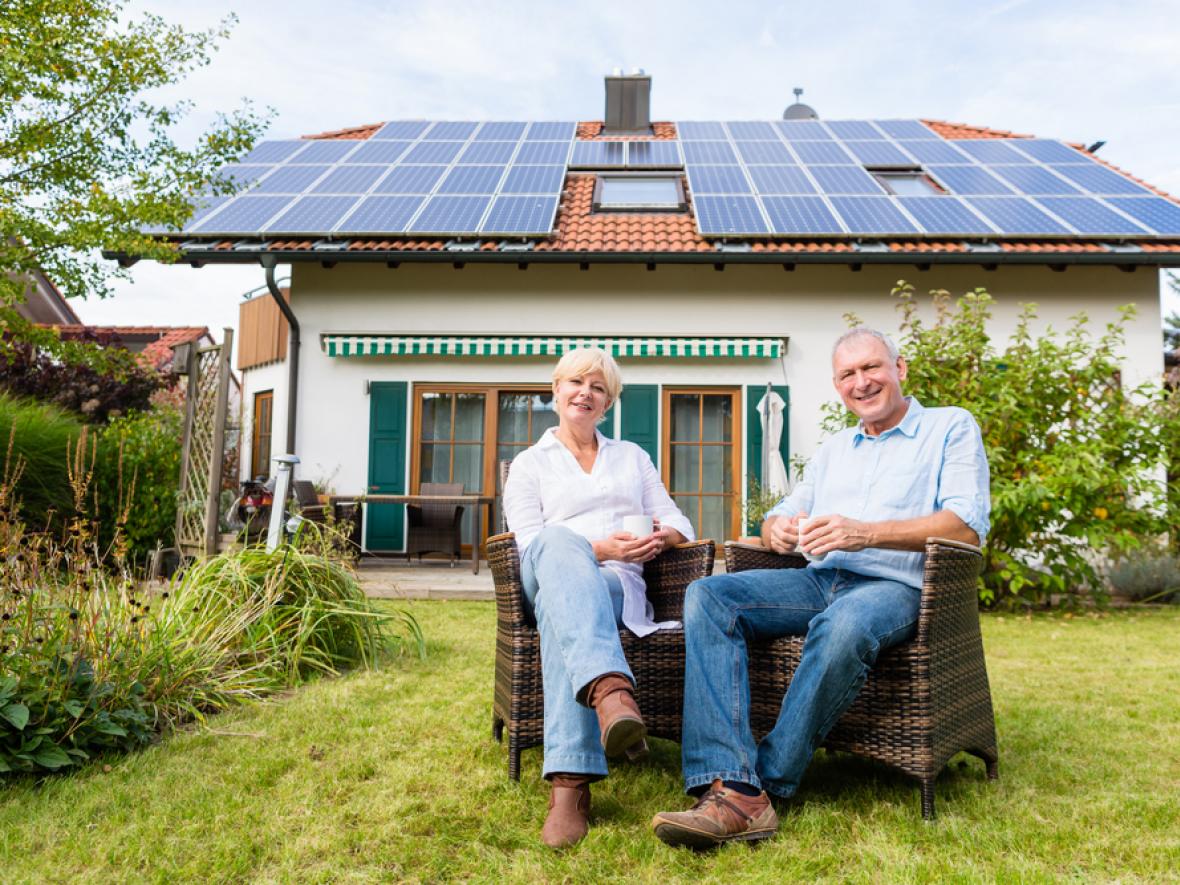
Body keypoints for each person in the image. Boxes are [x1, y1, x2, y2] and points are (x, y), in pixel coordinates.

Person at [651, 327, 990, 849]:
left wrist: (868, 533)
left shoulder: (949, 428)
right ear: (838, 386)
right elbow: (783, 513)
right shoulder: (835, 448)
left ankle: (753, 785)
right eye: (848, 374)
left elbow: (965, 526)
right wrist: (776, 530)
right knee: (710, 595)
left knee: (846, 622)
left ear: (899, 370)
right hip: (818, 578)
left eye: (872, 367)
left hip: (896, 588)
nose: (862, 382)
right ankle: (728, 776)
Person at [503, 346, 694, 849]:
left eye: (598, 387)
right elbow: (529, 545)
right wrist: (600, 547)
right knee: (557, 542)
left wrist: (661, 539)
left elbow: (679, 521)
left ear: (607, 403)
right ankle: (610, 690)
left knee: (561, 609)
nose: (585, 393)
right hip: (544, 573)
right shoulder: (528, 464)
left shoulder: (631, 457)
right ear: (556, 390)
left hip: (617, 587)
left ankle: (569, 787)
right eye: (575, 383)